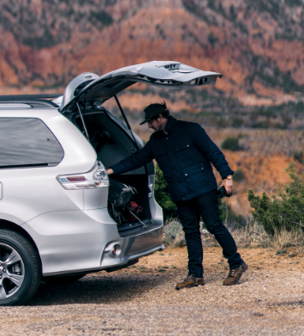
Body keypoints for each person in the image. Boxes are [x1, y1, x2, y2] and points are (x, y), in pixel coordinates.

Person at [106, 101, 247, 289]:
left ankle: (236, 264)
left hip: (203, 188)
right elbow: (136, 160)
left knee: (214, 226)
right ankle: (195, 274)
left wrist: (227, 177)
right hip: (181, 194)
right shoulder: (155, 142)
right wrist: (109, 171)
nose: (149, 125)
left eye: (150, 121)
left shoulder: (191, 130)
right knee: (190, 232)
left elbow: (213, 152)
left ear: (160, 118)